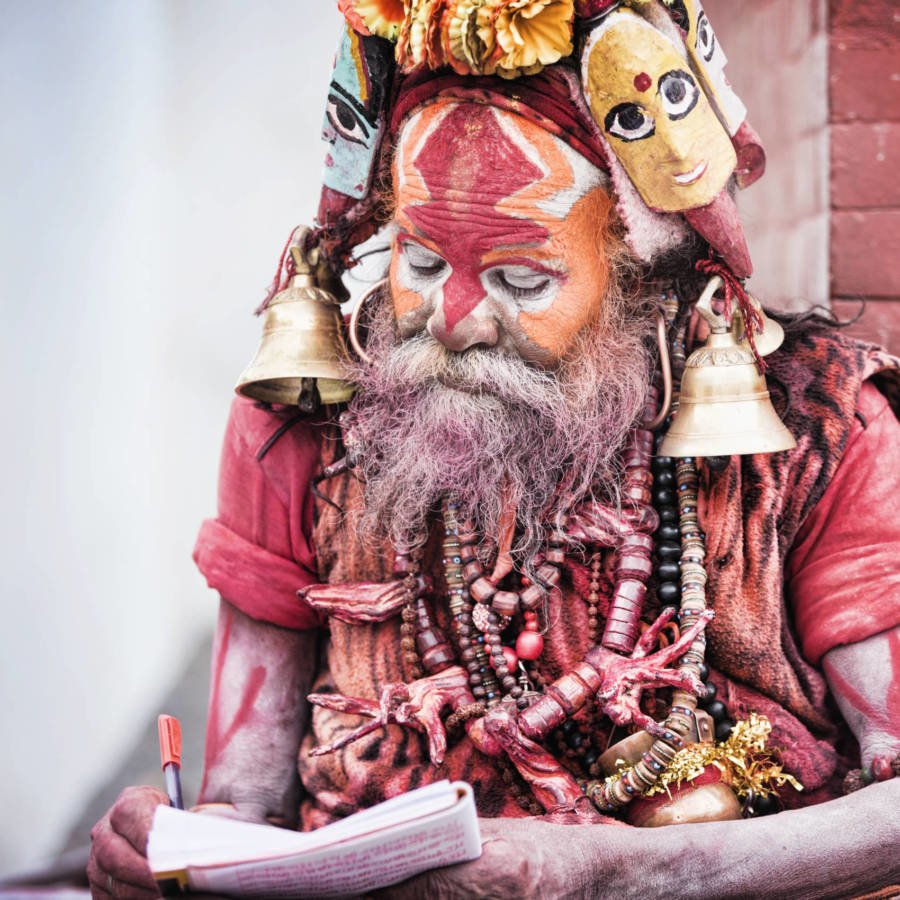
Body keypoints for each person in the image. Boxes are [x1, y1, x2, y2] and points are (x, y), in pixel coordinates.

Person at [88, 1, 900, 897]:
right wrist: (184, 855)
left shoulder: (822, 424)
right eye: (423, 261)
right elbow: (241, 800)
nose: (454, 320)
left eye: (521, 277)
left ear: (637, 270)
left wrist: (621, 876)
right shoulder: (304, 415)